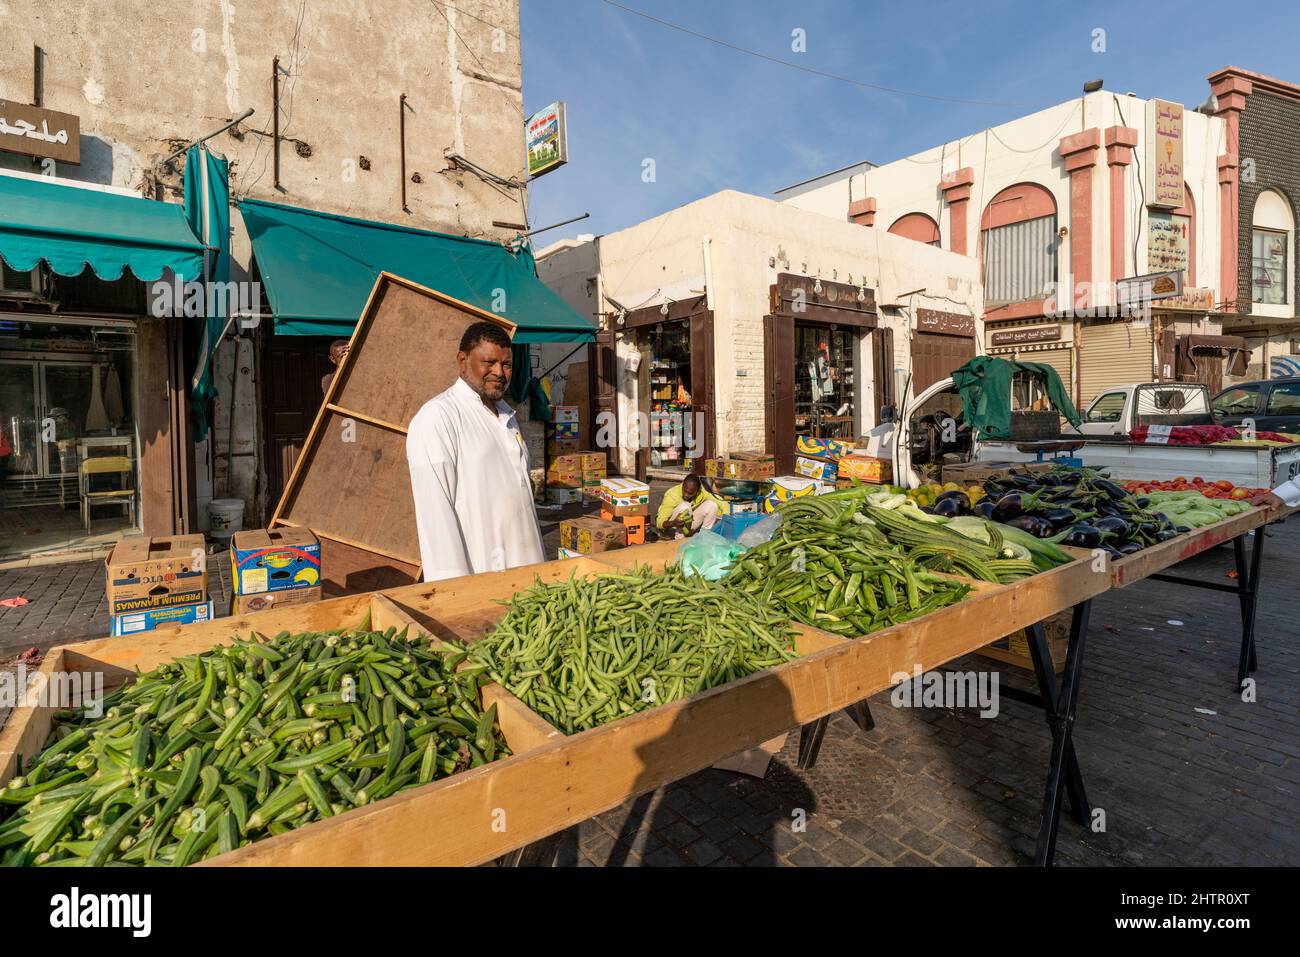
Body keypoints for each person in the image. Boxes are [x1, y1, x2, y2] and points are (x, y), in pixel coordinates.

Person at [406, 321, 544, 581]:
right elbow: (436, 519)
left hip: (530, 572)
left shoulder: (507, 416)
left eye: (506, 365)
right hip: (483, 578)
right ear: (462, 361)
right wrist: (456, 596)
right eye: (488, 362)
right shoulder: (438, 417)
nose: (499, 373)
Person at [656, 473, 724, 539]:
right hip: (670, 530)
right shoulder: (672, 495)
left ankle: (704, 538)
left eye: (690, 493)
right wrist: (673, 523)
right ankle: (679, 540)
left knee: (712, 505)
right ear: (682, 485)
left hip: (687, 528)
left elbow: (721, 502)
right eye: (685, 491)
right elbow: (659, 523)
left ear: (697, 491)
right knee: (685, 506)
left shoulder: (702, 492)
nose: (686, 495)